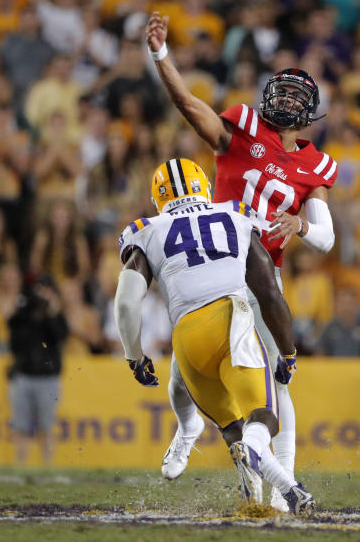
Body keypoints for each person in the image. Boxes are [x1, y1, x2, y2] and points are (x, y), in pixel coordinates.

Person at [147, 11, 337, 512]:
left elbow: (326, 239)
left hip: (260, 273)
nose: (289, 101)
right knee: (182, 378)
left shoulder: (314, 165)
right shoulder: (243, 128)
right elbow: (189, 105)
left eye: (301, 97)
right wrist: (162, 55)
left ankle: (281, 487)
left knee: (274, 385)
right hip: (213, 261)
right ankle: (194, 436)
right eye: (284, 90)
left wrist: (301, 225)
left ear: (312, 113)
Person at [114, 158, 314, 513]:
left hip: (187, 339)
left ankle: (272, 491)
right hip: (231, 319)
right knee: (264, 417)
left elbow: (127, 303)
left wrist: (134, 355)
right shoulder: (235, 213)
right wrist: (288, 351)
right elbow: (268, 291)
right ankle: (286, 485)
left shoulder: (147, 229)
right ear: (202, 185)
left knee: (233, 430)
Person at [7, 275, 69, 465]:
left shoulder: (56, 315)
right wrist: (29, 311)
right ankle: (20, 464)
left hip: (47, 378)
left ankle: (47, 465)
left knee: (47, 427)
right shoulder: (24, 314)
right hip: (23, 376)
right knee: (20, 427)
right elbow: (14, 337)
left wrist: (50, 313)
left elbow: (60, 336)